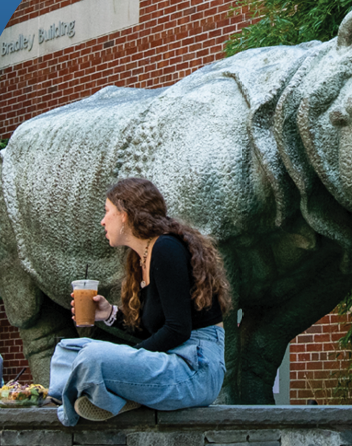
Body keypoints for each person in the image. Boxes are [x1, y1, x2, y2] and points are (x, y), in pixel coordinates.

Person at [49, 178, 230, 426]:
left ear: (124, 214)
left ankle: (114, 397)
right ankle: (128, 394)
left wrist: (131, 358)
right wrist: (110, 314)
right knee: (68, 350)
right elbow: (156, 329)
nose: (102, 221)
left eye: (106, 212)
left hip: (195, 370)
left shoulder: (166, 248)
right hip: (171, 361)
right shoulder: (141, 259)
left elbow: (178, 329)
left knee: (93, 357)